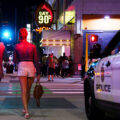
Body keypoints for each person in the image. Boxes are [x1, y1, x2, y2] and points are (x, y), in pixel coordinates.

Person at [13, 28, 40, 119]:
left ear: (19, 35)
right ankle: (25, 108)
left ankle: (26, 111)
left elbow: (14, 60)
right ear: (27, 35)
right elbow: (36, 60)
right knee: (28, 90)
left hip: (22, 65)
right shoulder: (32, 46)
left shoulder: (17, 46)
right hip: (31, 66)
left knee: (24, 90)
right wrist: (39, 73)